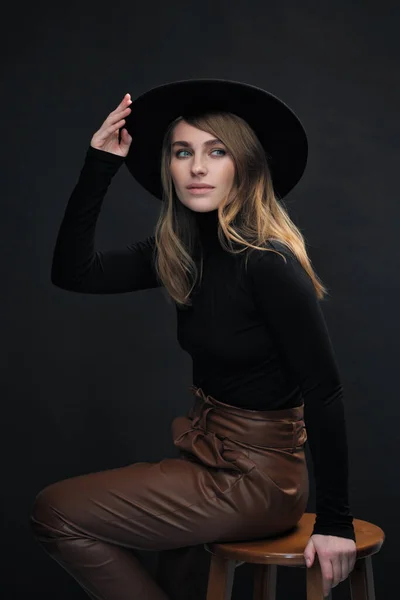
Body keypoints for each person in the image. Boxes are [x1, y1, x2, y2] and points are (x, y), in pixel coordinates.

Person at [30, 79, 357, 600]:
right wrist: (100, 162)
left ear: (244, 166)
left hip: (259, 480)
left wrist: (336, 523)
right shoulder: (183, 249)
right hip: (211, 459)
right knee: (173, 575)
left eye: (216, 151)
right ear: (169, 166)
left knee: (55, 511)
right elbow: (75, 271)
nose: (197, 168)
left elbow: (326, 392)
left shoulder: (268, 263)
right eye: (184, 152)